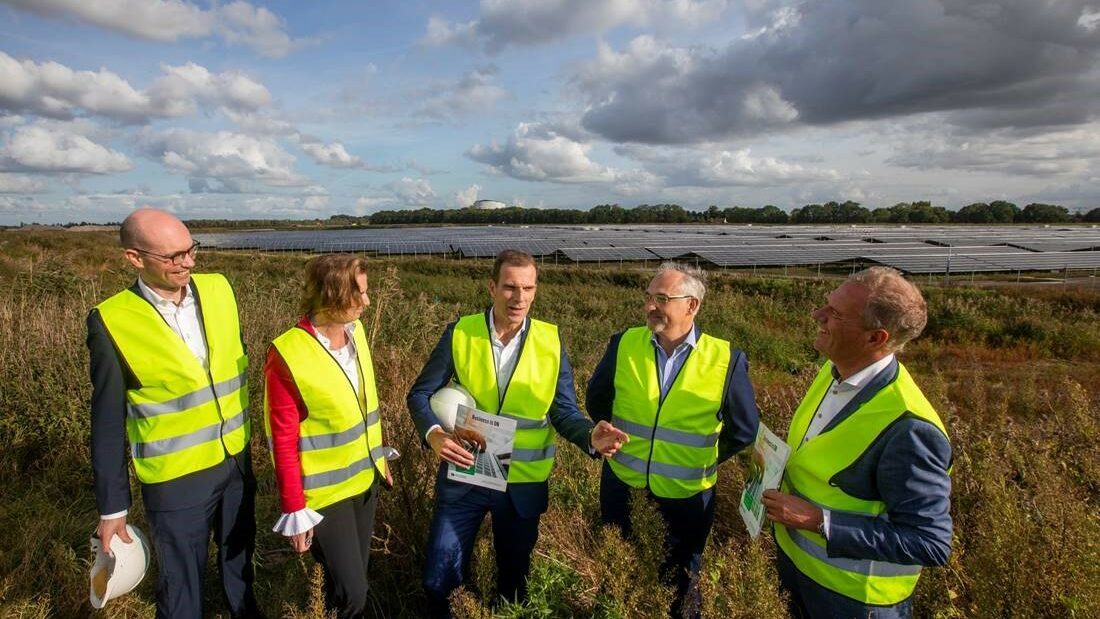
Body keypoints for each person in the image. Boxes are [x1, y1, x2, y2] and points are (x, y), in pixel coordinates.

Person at [406, 249, 628, 618]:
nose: (519, 297)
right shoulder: (461, 332)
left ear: (536, 290)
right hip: (466, 476)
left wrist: (589, 436)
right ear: (492, 287)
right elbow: (420, 394)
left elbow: (563, 410)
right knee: (438, 580)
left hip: (521, 484)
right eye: (510, 287)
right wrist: (433, 434)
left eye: (527, 288)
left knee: (513, 585)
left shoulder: (550, 341)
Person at [88, 208, 261, 618]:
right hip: (176, 478)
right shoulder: (111, 320)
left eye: (191, 250)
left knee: (239, 559)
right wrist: (113, 508)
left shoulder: (220, 289)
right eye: (172, 257)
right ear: (134, 258)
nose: (188, 262)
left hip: (236, 459)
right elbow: (108, 420)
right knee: (181, 582)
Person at [762, 267, 952, 619]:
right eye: (826, 305)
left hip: (853, 600)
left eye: (834, 313)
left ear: (875, 338)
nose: (817, 315)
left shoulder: (908, 427)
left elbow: (929, 541)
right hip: (798, 573)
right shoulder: (832, 370)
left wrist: (820, 522)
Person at [587, 262, 760, 619]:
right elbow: (597, 398)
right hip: (623, 485)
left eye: (662, 298)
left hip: (687, 496)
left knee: (681, 583)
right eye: (649, 297)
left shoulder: (725, 359)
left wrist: (700, 457)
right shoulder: (624, 343)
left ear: (691, 306)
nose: (650, 306)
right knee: (618, 574)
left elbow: (744, 428)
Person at [264, 254, 392, 619]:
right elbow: (282, 439)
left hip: (365, 481)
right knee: (354, 593)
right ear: (331, 294)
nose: (367, 302)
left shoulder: (357, 334)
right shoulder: (287, 353)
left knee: (345, 586)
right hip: (324, 495)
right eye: (359, 294)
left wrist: (379, 458)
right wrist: (294, 508)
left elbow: (365, 409)